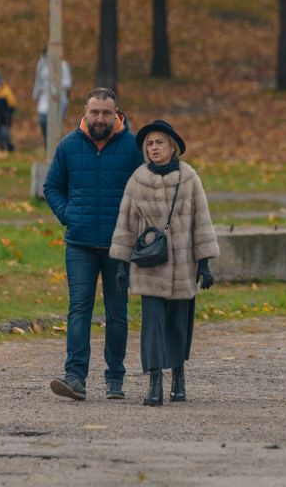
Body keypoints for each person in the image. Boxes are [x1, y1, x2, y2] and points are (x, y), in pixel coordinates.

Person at [110, 119, 219, 407]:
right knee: (153, 325)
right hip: (149, 265)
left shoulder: (190, 178)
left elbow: (202, 221)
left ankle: (179, 377)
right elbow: (125, 223)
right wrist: (122, 265)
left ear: (173, 146)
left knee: (178, 324)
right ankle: (155, 383)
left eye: (159, 142)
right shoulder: (138, 180)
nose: (153, 147)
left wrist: (204, 263)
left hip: (183, 265)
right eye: (149, 143)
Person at [44, 87, 144, 401]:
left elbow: (146, 189)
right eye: (94, 112)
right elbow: (52, 187)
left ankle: (115, 378)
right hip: (80, 244)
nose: (100, 118)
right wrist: (67, 215)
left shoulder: (132, 146)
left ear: (116, 114)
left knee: (117, 313)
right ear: (85, 112)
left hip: (119, 246)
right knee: (79, 310)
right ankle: (75, 377)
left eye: (106, 112)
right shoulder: (69, 146)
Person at [32, 52, 72, 148]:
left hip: (59, 98)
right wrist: (35, 94)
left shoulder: (63, 65)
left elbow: (67, 82)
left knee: (56, 123)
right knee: (43, 119)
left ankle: (59, 145)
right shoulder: (42, 64)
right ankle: (48, 142)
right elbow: (38, 80)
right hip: (45, 97)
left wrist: (56, 84)